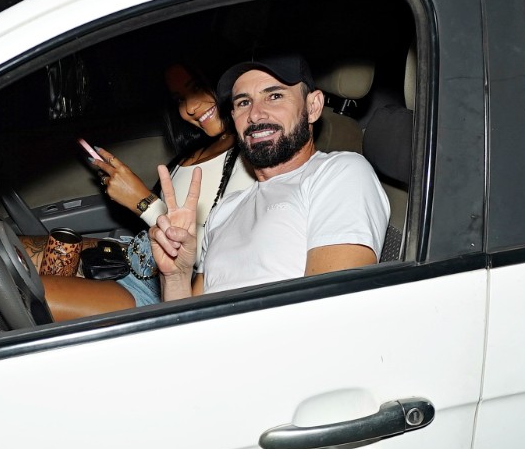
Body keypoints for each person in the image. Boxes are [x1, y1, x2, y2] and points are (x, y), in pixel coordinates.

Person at [150, 52, 390, 300]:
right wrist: (177, 276)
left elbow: (332, 307)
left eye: (274, 96)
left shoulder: (339, 174)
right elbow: (189, 318)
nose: (255, 114)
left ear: (313, 106)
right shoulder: (225, 209)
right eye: (243, 102)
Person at [35, 61, 255, 321]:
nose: (189, 108)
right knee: (15, 253)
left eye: (196, 88)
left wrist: (142, 201)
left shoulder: (252, 158)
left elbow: (214, 260)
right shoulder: (199, 148)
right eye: (179, 99)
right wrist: (127, 190)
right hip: (132, 257)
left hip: (162, 290)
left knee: (30, 295)